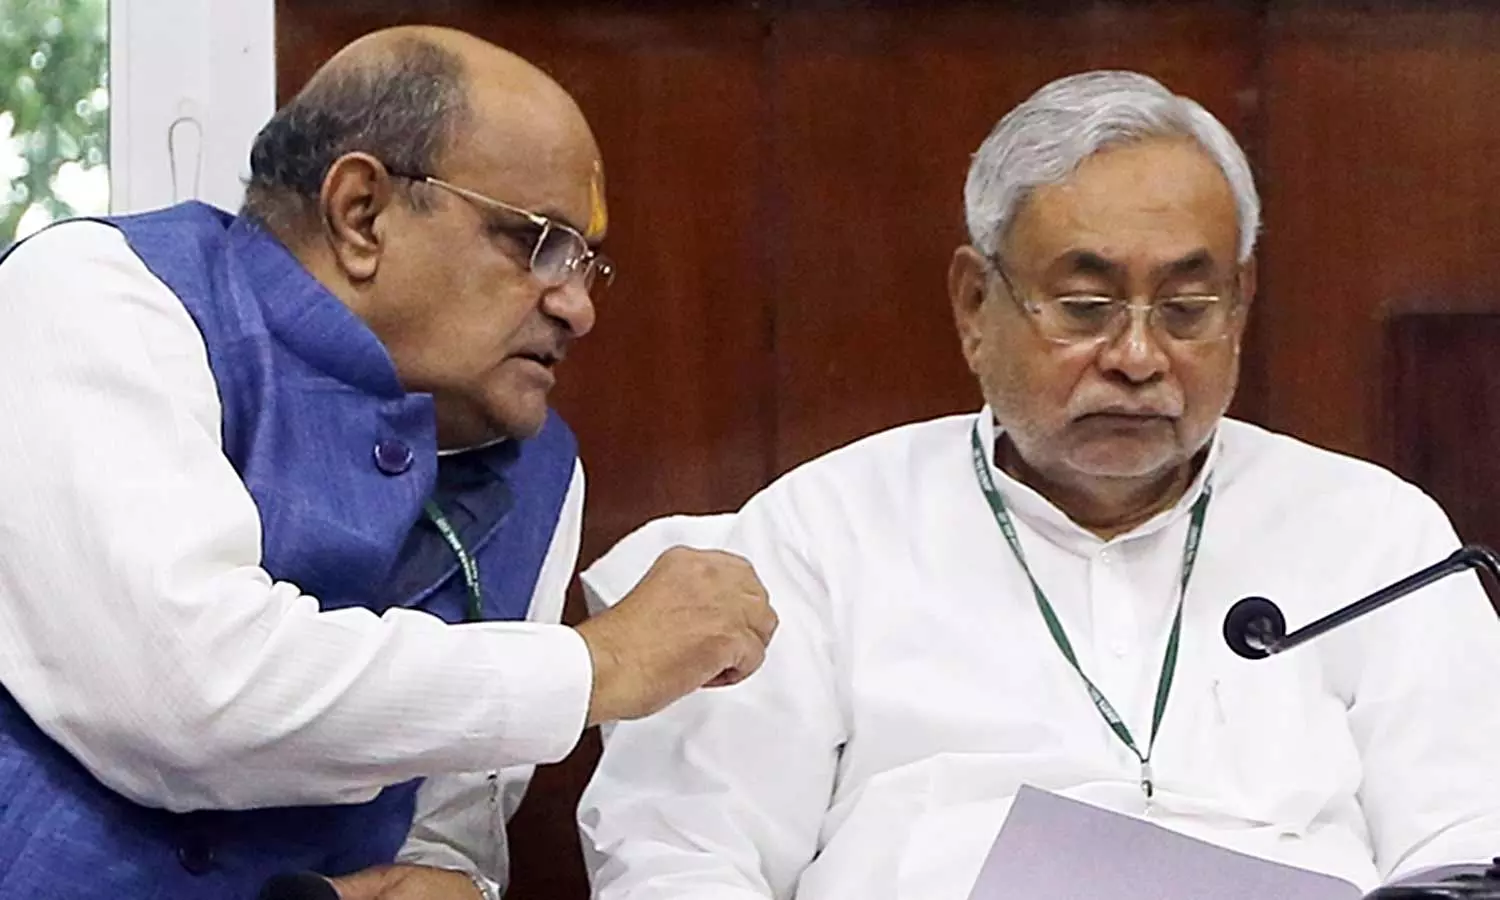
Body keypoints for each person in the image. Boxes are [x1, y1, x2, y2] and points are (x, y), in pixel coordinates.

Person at [578, 70, 1500, 899]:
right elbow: (682, 855)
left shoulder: (1377, 536)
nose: (1138, 356)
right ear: (975, 304)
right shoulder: (820, 535)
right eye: (1087, 308)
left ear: (1242, 305)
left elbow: (1468, 840)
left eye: (1186, 310)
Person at [0, 25, 776, 900]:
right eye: (538, 244)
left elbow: (456, 806)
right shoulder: (101, 294)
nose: (578, 307)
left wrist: (453, 876)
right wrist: (601, 665)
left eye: (585, 263)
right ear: (361, 213)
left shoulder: (539, 471)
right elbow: (186, 693)